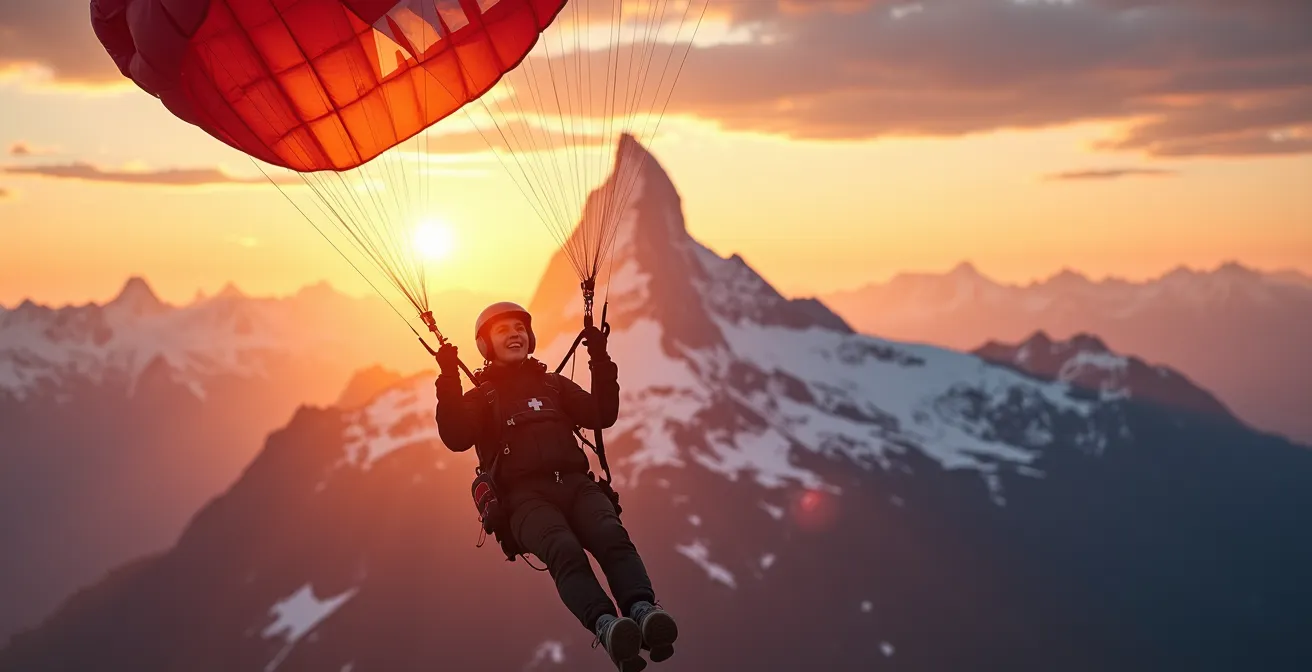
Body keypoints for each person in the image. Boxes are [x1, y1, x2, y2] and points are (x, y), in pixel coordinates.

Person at [433, 301, 678, 671]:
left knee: (611, 534)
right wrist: (449, 377)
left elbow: (601, 413)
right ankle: (607, 626)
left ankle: (643, 610)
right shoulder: (483, 397)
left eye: (520, 328)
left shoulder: (553, 385)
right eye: (503, 330)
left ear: (530, 338)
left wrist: (600, 358)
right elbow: (455, 435)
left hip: (577, 486)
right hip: (523, 500)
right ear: (485, 346)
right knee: (563, 549)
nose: (515, 334)